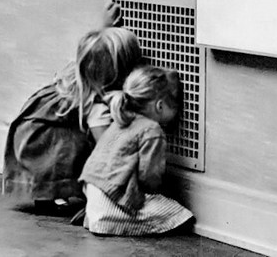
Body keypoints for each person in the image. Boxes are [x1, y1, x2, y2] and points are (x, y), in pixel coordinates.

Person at [2, 4, 141, 213]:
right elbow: (105, 147)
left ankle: (46, 194)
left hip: (29, 131)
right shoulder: (96, 106)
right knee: (73, 148)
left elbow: (94, 51)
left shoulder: (79, 72)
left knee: (68, 143)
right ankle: (55, 192)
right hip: (47, 140)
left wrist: (104, 28)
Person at [78, 65, 194, 236]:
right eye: (174, 108)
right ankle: (112, 222)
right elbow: (149, 177)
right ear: (160, 106)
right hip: (113, 200)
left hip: (93, 192)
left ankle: (101, 219)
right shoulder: (152, 130)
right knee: (180, 214)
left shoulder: (121, 118)